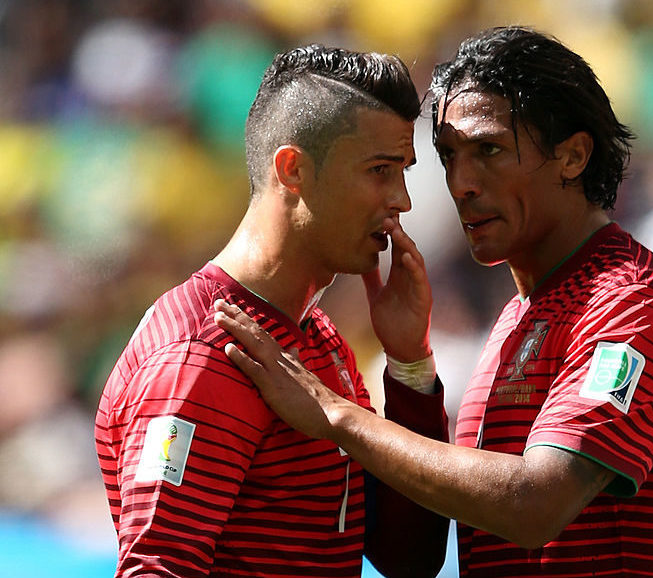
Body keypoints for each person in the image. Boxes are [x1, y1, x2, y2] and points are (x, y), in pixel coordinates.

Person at [213, 26, 653, 577]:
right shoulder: (520, 315)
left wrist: (338, 417)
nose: (462, 184)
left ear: (573, 155)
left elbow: (537, 506)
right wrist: (411, 365)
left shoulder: (632, 303)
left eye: (489, 151)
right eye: (449, 157)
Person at [94, 44, 450, 578]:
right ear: (293, 170)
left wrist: (409, 365)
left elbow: (410, 558)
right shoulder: (202, 358)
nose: (402, 200)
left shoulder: (318, 339)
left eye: (403, 171)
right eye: (380, 170)